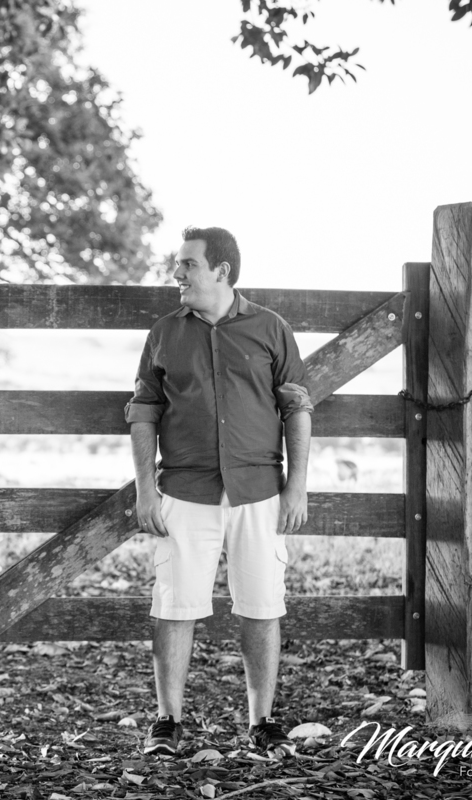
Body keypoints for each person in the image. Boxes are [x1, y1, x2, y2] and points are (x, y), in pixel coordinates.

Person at [126, 226, 313, 758]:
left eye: (187, 264)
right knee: (174, 605)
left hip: (259, 491)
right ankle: (167, 722)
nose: (177, 274)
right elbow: (143, 413)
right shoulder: (165, 332)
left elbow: (297, 408)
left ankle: (262, 722)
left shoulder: (270, 328)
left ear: (221, 271)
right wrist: (145, 490)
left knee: (262, 605)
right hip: (185, 490)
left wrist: (296, 487)